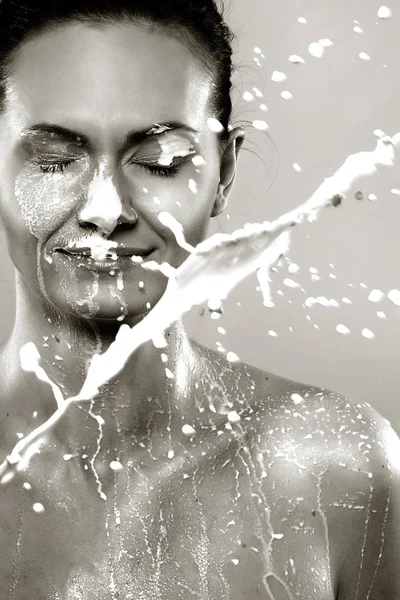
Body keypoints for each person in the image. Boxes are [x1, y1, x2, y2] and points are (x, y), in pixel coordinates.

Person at [0, 1, 398, 598]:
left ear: (225, 171)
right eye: (56, 160)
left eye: (160, 163)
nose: (106, 210)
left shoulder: (335, 466)